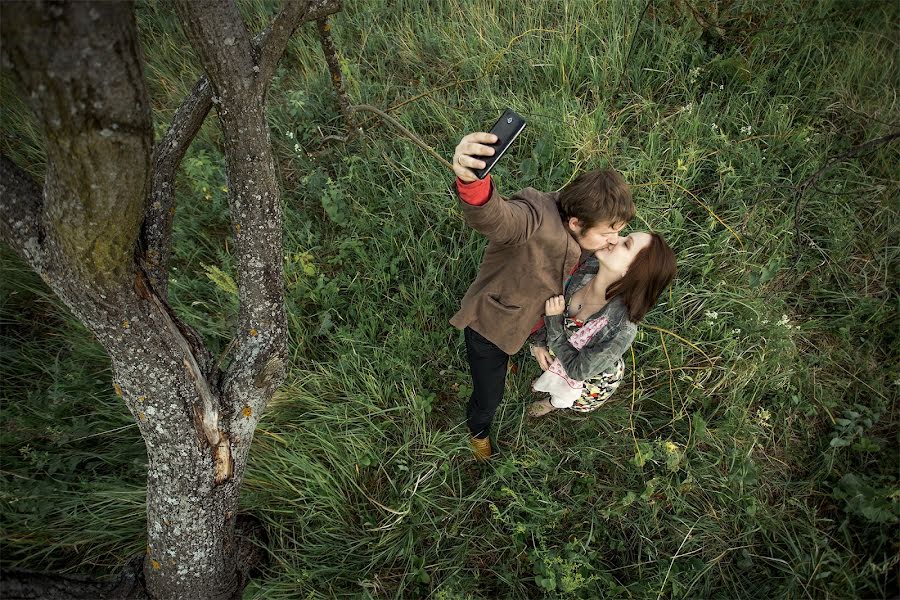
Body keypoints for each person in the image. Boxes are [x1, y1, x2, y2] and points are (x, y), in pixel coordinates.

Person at [449, 131, 636, 460]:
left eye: (618, 233)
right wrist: (471, 181)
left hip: (532, 323)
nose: (613, 241)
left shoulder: (592, 243)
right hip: (492, 326)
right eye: (609, 233)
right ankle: (478, 431)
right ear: (576, 222)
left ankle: (519, 351)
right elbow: (499, 218)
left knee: (520, 352)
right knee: (489, 395)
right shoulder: (535, 218)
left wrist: (538, 340)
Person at [526, 232, 677, 417]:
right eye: (624, 236)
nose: (614, 239)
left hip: (590, 376)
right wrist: (539, 342)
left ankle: (550, 403)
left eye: (626, 244)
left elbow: (577, 371)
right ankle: (547, 381)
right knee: (550, 368)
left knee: (564, 395)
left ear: (633, 272)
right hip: (563, 346)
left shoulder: (621, 329)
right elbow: (546, 298)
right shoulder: (588, 265)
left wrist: (554, 325)